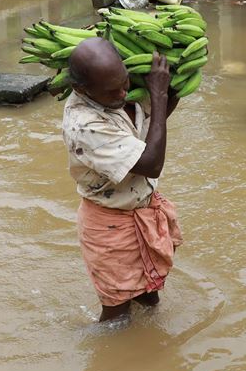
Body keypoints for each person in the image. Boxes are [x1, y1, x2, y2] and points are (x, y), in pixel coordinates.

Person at [62, 37, 181, 322]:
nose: (123, 93)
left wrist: (168, 87)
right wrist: (159, 95)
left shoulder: (115, 94)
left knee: (150, 296)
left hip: (141, 209)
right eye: (112, 90)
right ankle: (108, 357)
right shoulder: (85, 125)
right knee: (117, 314)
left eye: (125, 82)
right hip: (110, 224)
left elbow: (155, 118)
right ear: (81, 89)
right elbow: (151, 164)